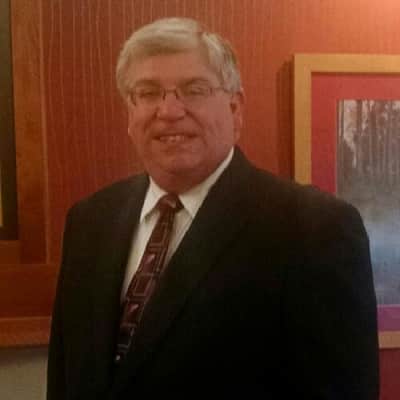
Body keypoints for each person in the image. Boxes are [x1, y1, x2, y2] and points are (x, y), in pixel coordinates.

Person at [47, 17, 379, 399]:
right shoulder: (89, 221)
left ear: (236, 109)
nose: (169, 111)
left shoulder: (314, 229)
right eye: (148, 92)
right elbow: (65, 378)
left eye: (194, 90)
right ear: (130, 113)